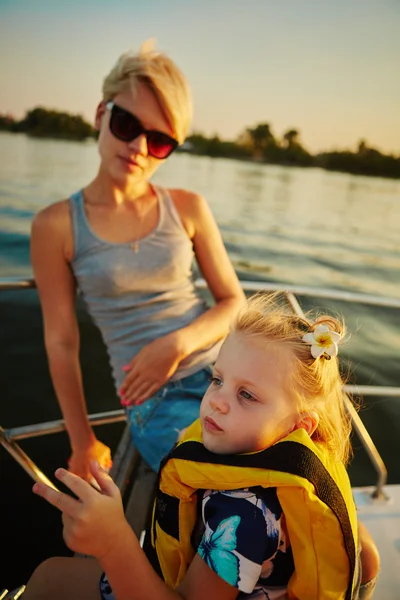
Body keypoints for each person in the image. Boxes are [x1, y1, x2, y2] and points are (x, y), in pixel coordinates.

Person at [24, 294, 379, 599]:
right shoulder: (296, 464)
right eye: (218, 379)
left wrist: (113, 543)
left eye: (247, 395)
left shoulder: (246, 515)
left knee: (46, 582)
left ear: (298, 427)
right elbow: (366, 556)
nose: (217, 402)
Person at [30, 41, 245, 479]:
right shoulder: (57, 226)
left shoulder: (188, 207)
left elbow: (233, 301)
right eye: (126, 123)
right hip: (156, 400)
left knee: (300, 465)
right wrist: (82, 441)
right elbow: (61, 342)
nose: (139, 147)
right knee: (229, 488)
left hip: (230, 372)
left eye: (160, 140)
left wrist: (177, 344)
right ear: (100, 113)